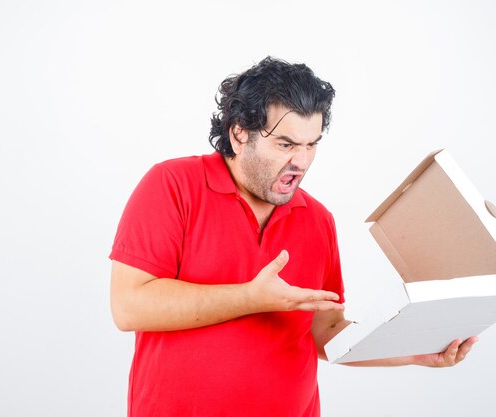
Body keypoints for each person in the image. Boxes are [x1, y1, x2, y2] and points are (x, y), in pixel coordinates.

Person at [109, 56, 477, 417]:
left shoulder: (317, 219)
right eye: (285, 144)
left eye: (311, 144)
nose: (301, 161)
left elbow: (326, 330)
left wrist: (413, 352)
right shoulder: (172, 185)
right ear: (239, 133)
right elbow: (129, 306)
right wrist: (249, 298)